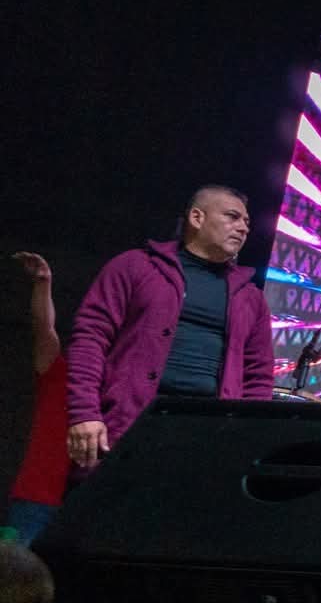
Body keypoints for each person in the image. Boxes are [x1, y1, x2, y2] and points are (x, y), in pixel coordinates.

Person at [66, 186, 273, 471]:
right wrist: (85, 412)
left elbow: (258, 374)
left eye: (247, 222)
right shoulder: (134, 266)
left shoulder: (250, 297)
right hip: (127, 426)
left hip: (208, 437)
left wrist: (246, 435)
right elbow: (90, 339)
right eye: (232, 216)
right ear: (197, 218)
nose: (243, 228)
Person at [5, 253, 67, 546]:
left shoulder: (121, 387)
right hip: (37, 497)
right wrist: (43, 284)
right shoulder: (61, 371)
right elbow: (44, 329)